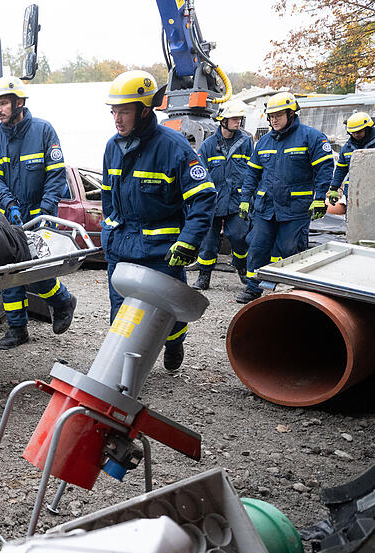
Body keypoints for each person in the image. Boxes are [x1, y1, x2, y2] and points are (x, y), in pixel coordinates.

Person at [101, 70, 216, 371]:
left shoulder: (174, 146)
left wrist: (189, 242)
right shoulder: (113, 147)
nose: (117, 119)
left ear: (145, 109)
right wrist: (109, 230)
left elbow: (203, 196)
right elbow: (107, 198)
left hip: (162, 252)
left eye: (124, 111)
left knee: (168, 313)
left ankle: (174, 342)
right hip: (122, 248)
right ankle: (126, 370)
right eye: (114, 111)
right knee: (121, 313)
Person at [0, 77, 77, 349]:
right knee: (10, 271)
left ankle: (62, 302)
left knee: (39, 269)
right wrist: (9, 204)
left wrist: (46, 211)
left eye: (3, 103)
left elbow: (56, 175)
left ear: (19, 103)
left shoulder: (44, 131)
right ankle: (17, 329)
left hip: (42, 215)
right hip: (12, 216)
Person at [237, 92, 333, 304]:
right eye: (271, 116)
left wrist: (320, 197)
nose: (274, 120)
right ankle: (253, 288)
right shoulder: (263, 142)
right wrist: (245, 198)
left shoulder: (312, 137)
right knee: (257, 246)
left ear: (291, 113)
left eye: (279, 115)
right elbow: (252, 173)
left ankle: (290, 291)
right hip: (265, 207)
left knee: (290, 249)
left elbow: (325, 169)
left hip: (295, 208)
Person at [192, 100, 253, 290]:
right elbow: (199, 175)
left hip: (237, 201)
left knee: (239, 236)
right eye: (234, 118)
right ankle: (204, 276)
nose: (238, 122)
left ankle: (242, 268)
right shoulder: (209, 145)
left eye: (240, 118)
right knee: (208, 241)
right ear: (223, 120)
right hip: (214, 202)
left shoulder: (246, 143)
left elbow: (253, 170)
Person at [329, 112, 375, 207]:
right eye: (353, 133)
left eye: (359, 132)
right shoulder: (347, 148)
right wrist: (334, 188)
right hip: (354, 193)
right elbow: (341, 169)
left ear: (368, 129)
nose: (355, 135)